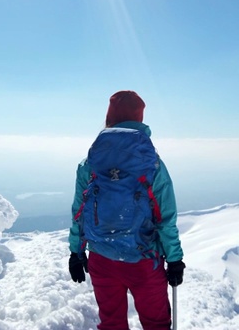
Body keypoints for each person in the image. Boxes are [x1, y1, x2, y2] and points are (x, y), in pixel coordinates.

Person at [68, 90, 185, 330]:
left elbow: (79, 211)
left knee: (111, 324)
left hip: (101, 257)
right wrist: (174, 259)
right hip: (142, 261)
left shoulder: (89, 164)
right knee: (156, 324)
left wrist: (76, 252)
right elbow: (165, 218)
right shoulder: (152, 164)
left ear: (109, 118)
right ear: (139, 119)